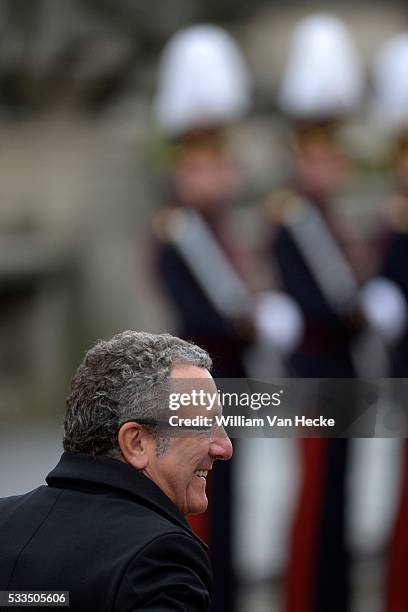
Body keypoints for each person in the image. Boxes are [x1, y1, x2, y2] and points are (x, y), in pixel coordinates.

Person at [0, 330, 233, 611]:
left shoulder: (6, 521)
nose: (224, 447)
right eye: (204, 426)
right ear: (136, 443)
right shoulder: (158, 557)